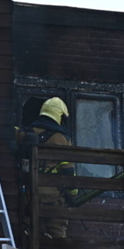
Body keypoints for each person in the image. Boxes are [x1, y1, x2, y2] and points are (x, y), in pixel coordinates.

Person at [27, 97, 79, 240]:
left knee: (28, 229)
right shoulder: (61, 138)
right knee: (57, 227)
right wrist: (73, 194)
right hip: (51, 193)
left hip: (26, 191)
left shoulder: (26, 132)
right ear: (60, 116)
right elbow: (67, 170)